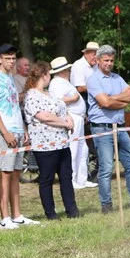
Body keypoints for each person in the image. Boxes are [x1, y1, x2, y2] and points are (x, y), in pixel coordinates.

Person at [86, 45, 130, 212]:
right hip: (102, 128)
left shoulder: (117, 78)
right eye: (106, 60)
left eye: (111, 61)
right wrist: (115, 101)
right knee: (106, 168)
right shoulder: (93, 80)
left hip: (120, 127)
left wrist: (112, 99)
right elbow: (104, 102)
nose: (109, 63)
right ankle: (106, 205)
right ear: (98, 61)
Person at [0, 44, 38, 229]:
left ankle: (17, 215)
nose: (11, 61)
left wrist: (23, 128)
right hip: (4, 131)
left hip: (17, 128)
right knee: (6, 173)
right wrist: (5, 132)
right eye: (7, 58)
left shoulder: (10, 78)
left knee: (16, 173)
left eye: (13, 58)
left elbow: (16, 106)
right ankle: (4, 217)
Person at [24, 61, 80, 220]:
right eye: (49, 73)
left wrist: (69, 120)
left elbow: (62, 109)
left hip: (62, 142)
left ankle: (72, 210)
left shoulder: (50, 93)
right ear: (44, 75)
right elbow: (44, 116)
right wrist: (64, 123)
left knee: (66, 177)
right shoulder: (31, 96)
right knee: (47, 179)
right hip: (45, 146)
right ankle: (51, 213)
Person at [48, 57, 97, 190]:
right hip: (71, 117)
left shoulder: (64, 82)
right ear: (62, 70)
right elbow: (57, 101)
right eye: (67, 69)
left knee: (83, 148)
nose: (69, 71)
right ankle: (72, 178)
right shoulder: (57, 83)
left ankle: (82, 178)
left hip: (78, 116)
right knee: (74, 148)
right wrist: (73, 98)